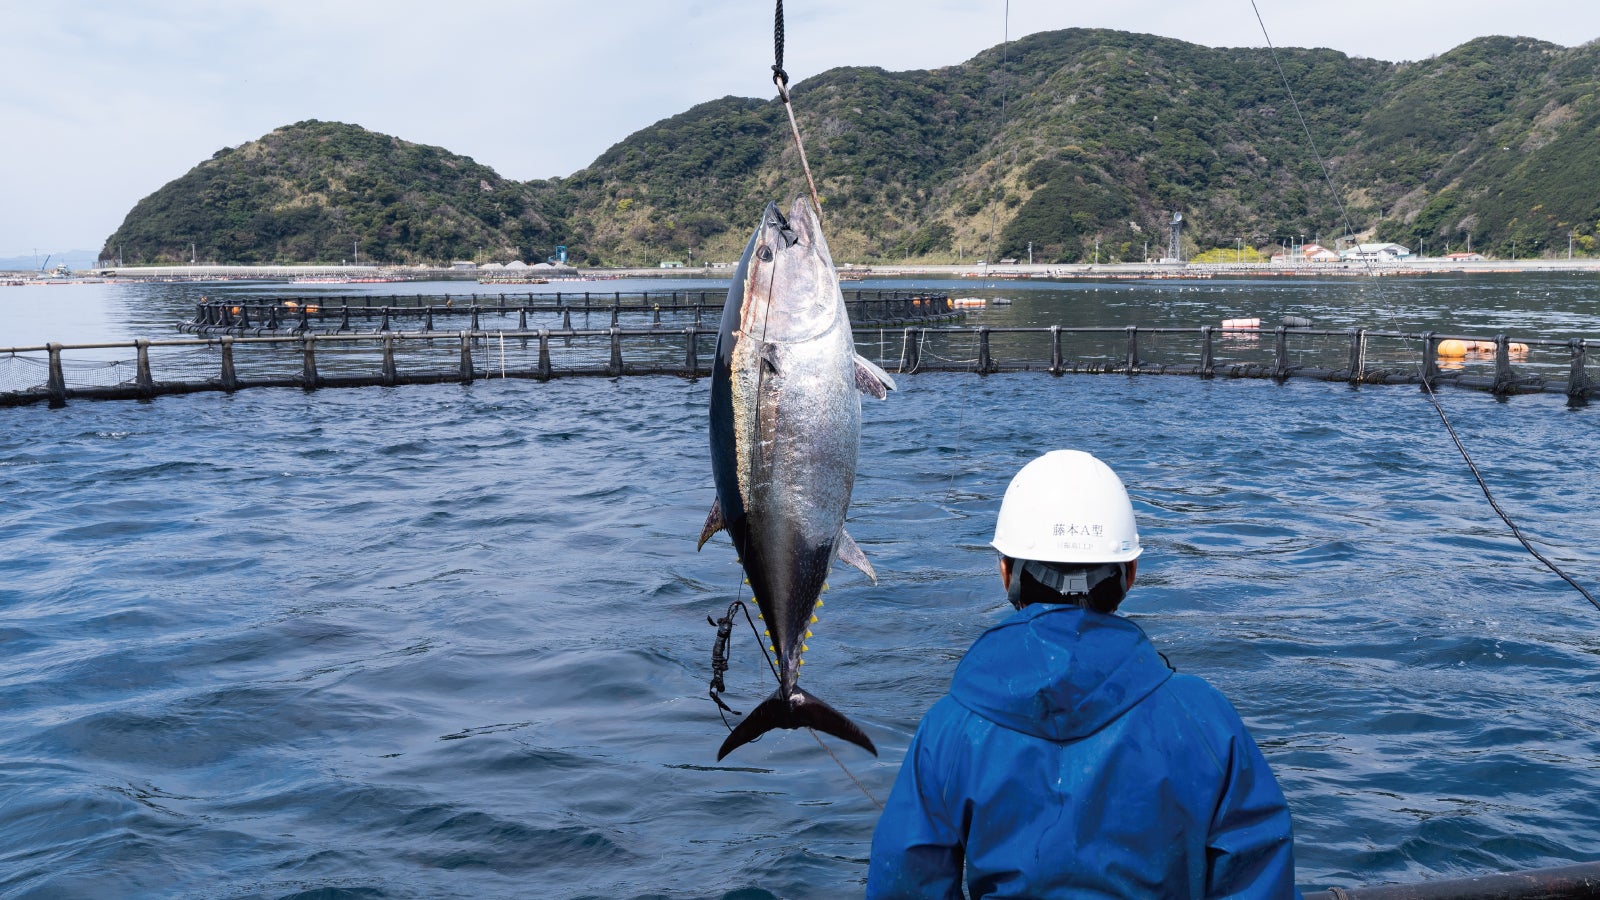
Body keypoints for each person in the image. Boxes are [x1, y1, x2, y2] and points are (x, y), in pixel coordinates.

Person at [867, 450, 1299, 899]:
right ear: (1129, 573)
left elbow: (905, 883)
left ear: (1005, 573)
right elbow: (1259, 878)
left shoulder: (949, 729)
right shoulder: (1206, 720)